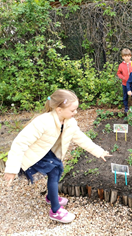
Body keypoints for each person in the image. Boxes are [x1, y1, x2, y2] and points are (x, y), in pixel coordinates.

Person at [3, 89, 112, 223]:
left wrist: (99, 151)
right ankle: (55, 210)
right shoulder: (43, 122)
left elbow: (81, 138)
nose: (76, 113)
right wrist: (11, 169)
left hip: (49, 152)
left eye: (76, 109)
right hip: (37, 155)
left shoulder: (70, 122)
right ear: (59, 109)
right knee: (55, 171)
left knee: (57, 169)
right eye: (73, 110)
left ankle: (51, 196)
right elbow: (19, 143)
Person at [117, 48, 132, 113]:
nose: (127, 58)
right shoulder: (121, 65)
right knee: (125, 96)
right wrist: (123, 77)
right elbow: (118, 73)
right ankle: (126, 108)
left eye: (128, 56)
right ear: (122, 57)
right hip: (125, 84)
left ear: (130, 56)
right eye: (125, 56)